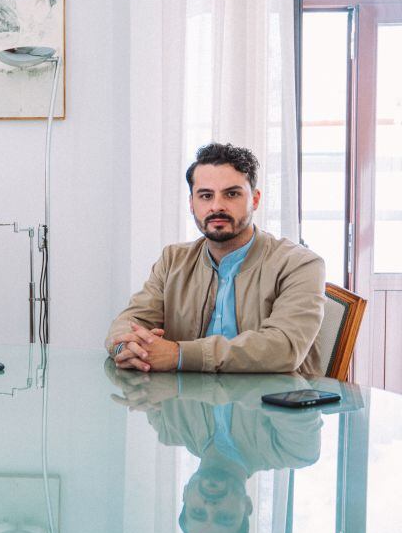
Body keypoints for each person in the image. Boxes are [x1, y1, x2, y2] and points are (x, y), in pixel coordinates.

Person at [105, 143, 326, 377]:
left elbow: (283, 348)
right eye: (205, 195)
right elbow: (130, 322)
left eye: (232, 194)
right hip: (186, 406)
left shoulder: (299, 264)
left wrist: (178, 354)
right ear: (192, 203)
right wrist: (129, 347)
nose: (217, 206)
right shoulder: (172, 260)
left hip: (271, 407)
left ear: (255, 199)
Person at [106, 363, 323, 533]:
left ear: (185, 495)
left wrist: (130, 348)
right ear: (247, 505)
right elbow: (290, 385)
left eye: (198, 513)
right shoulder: (294, 451)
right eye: (225, 517)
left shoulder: (168, 427)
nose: (210, 506)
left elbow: (138, 370)